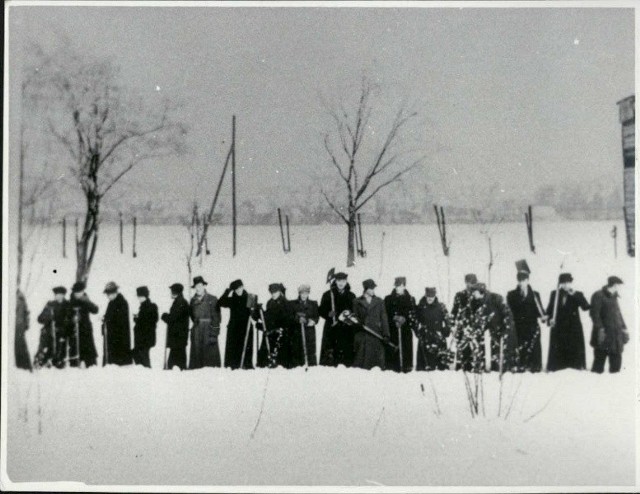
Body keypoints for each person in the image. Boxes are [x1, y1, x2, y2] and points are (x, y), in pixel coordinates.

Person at [464, 283, 517, 373]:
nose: (473, 294)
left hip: (501, 328)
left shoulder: (496, 298)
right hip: (490, 330)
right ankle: (482, 367)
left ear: (481, 292)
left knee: (505, 351)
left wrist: (507, 327)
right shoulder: (475, 302)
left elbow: (507, 313)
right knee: (490, 353)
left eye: (475, 292)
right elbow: (476, 320)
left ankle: (508, 369)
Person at [546, 273, 590, 371]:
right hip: (559, 328)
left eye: (568, 283)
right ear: (560, 283)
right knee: (559, 353)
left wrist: (575, 295)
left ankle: (575, 368)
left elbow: (586, 307)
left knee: (573, 350)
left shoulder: (577, 294)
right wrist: (550, 320)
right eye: (563, 283)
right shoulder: (555, 294)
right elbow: (549, 310)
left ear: (571, 283)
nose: (566, 285)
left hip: (573, 328)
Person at [507, 271, 546, 372]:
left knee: (534, 350)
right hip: (518, 327)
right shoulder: (511, 295)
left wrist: (544, 317)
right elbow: (509, 312)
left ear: (528, 281)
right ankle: (521, 367)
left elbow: (540, 311)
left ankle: (535, 368)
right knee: (520, 349)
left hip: (532, 327)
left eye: (523, 280)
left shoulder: (535, 295)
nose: (521, 283)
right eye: (519, 280)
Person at [589, 276, 629, 374]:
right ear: (614, 285)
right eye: (619, 286)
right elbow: (594, 314)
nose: (619, 288)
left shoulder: (614, 296)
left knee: (616, 366)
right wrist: (600, 329)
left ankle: (615, 386)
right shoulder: (598, 295)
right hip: (604, 335)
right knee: (598, 366)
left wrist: (624, 328)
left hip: (616, 336)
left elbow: (618, 314)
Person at [351, 279, 390, 370]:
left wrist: (386, 334)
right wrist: (357, 324)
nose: (373, 290)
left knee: (376, 367)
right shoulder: (356, 301)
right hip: (362, 336)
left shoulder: (379, 301)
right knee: (361, 367)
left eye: (373, 288)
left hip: (376, 336)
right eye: (371, 288)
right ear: (365, 289)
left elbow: (384, 319)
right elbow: (354, 318)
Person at [319, 272, 356, 367]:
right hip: (331, 328)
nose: (341, 283)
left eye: (343, 281)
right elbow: (321, 310)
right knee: (330, 354)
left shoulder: (351, 296)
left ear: (346, 282)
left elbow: (354, 312)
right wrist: (328, 314)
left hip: (346, 329)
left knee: (345, 354)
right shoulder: (328, 295)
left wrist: (349, 315)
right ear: (335, 281)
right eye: (339, 281)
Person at [219, 279, 254, 370]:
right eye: (236, 289)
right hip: (234, 328)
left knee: (246, 347)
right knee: (233, 349)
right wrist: (227, 291)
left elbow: (254, 314)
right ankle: (233, 366)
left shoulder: (250, 298)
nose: (238, 291)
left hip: (246, 328)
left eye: (240, 288)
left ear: (243, 287)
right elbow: (220, 302)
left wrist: (256, 310)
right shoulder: (232, 299)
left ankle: (246, 365)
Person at [189, 276, 222, 369]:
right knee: (196, 361)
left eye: (200, 285)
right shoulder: (192, 301)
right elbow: (192, 316)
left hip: (208, 332)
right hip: (197, 332)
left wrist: (214, 334)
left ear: (204, 286)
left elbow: (217, 318)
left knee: (210, 362)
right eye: (196, 286)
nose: (198, 288)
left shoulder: (213, 299)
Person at [34, 286, 71, 369]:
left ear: (64, 295)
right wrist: (48, 317)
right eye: (57, 295)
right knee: (45, 341)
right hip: (49, 331)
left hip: (62, 332)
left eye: (60, 295)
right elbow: (40, 319)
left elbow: (69, 319)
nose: (58, 297)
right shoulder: (50, 304)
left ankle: (58, 361)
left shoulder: (67, 305)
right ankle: (40, 360)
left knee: (60, 345)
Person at [384, 277, 416, 373]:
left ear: (405, 286)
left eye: (402, 286)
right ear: (395, 286)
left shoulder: (410, 299)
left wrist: (405, 319)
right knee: (393, 352)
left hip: (405, 331)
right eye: (398, 286)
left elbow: (413, 314)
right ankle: (393, 371)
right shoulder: (388, 299)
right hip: (393, 330)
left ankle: (406, 369)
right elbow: (385, 314)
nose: (400, 288)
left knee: (406, 351)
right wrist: (394, 318)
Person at [415, 287, 451, 371]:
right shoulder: (420, 307)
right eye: (428, 297)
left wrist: (446, 330)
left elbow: (448, 320)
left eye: (432, 297)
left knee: (440, 367)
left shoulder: (441, 307)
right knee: (424, 367)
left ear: (435, 296)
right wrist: (417, 331)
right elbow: (414, 320)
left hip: (438, 337)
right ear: (425, 295)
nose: (430, 299)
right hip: (425, 338)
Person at [257, 283, 293, 368]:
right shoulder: (270, 302)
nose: (273, 294)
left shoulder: (286, 303)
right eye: (271, 292)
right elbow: (268, 318)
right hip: (270, 333)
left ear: (280, 292)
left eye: (275, 292)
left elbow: (285, 319)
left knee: (280, 361)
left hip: (281, 334)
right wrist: (260, 313)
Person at [68, 281, 99, 367]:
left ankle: (92, 370)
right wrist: (72, 320)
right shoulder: (70, 302)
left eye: (80, 292)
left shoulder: (86, 300)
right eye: (77, 292)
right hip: (74, 332)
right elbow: (66, 316)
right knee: (74, 355)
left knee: (90, 356)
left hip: (86, 332)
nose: (79, 294)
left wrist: (87, 301)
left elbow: (95, 310)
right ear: (74, 292)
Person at [289, 284, 320, 368]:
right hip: (297, 331)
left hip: (309, 331)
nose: (304, 295)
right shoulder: (293, 304)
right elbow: (290, 316)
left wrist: (313, 321)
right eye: (302, 293)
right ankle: (297, 367)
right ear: (299, 293)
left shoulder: (313, 304)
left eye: (306, 293)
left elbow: (317, 316)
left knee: (310, 349)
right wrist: (297, 319)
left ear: (308, 293)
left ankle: (311, 366)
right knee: (297, 348)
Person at [103, 281, 133, 366]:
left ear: (114, 292)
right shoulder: (111, 303)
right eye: (107, 294)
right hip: (112, 336)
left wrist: (108, 320)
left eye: (109, 294)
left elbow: (119, 320)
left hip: (119, 338)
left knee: (119, 362)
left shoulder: (122, 302)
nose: (108, 296)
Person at [161, 283, 190, 370]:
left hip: (178, 338)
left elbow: (173, 318)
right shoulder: (180, 301)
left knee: (174, 364)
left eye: (172, 291)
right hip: (179, 338)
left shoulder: (180, 302)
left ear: (175, 292)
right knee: (178, 363)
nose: (170, 293)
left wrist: (164, 316)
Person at [132, 286, 158, 368]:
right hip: (143, 339)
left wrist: (137, 319)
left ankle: (147, 376)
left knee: (143, 359)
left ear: (144, 296)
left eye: (139, 296)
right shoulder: (146, 306)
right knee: (139, 356)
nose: (138, 298)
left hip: (144, 339)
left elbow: (148, 322)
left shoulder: (149, 307)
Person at [15, 289, 33, 371]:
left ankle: (24, 368)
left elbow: (26, 312)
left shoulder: (21, 297)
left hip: (19, 328)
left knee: (20, 347)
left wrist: (26, 324)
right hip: (15, 327)